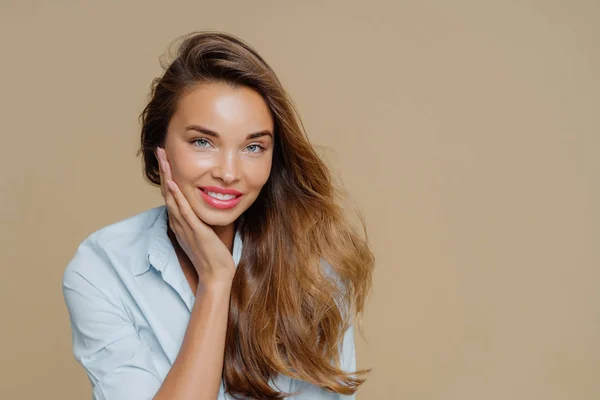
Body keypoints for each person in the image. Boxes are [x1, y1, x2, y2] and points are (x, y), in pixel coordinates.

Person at [62, 31, 375, 400]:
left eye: (253, 147)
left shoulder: (314, 267)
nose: (229, 172)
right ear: (158, 146)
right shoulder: (103, 268)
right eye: (202, 142)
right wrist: (216, 279)